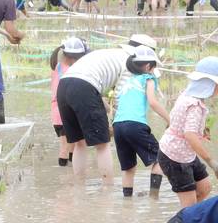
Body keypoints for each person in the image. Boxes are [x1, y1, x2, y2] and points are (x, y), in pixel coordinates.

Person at [57, 35, 158, 185]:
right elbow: (120, 94)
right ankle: (107, 190)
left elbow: (96, 94)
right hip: (85, 87)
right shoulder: (129, 63)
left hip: (64, 86)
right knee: (103, 144)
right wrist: (118, 120)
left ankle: (79, 188)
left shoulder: (112, 53)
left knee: (79, 143)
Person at [158, 57, 218, 209]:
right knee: (189, 205)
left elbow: (182, 123)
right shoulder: (195, 105)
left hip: (186, 154)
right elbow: (189, 135)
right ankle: (187, 216)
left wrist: (201, 130)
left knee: (204, 188)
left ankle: (192, 217)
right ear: (210, 84)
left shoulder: (187, 95)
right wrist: (212, 162)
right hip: (175, 158)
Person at [112, 46, 169, 198]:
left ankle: (127, 200)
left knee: (128, 168)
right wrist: (170, 119)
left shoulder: (127, 82)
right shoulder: (148, 78)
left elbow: (119, 104)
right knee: (160, 160)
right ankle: (153, 198)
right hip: (135, 124)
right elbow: (153, 102)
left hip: (118, 125)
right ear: (149, 66)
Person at [50, 37, 88, 167]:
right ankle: (67, 177)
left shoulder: (57, 67)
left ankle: (69, 172)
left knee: (69, 144)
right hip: (67, 111)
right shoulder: (74, 70)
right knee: (68, 147)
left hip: (56, 113)